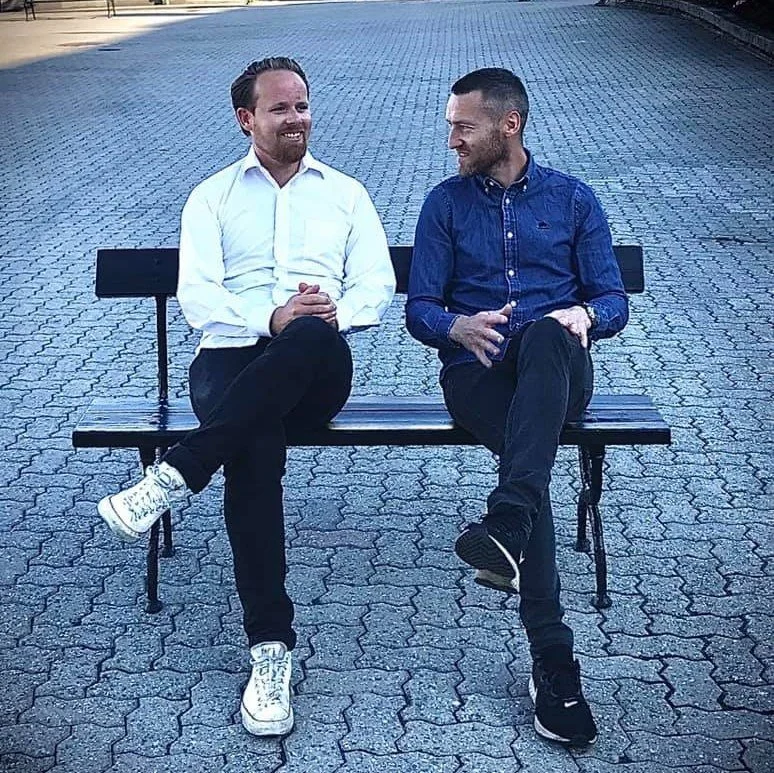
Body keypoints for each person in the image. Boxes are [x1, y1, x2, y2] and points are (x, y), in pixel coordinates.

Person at [97, 57, 395, 737]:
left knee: (309, 336)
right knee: (253, 447)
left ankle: (174, 474)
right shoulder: (212, 197)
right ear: (246, 119)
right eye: (280, 108)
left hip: (318, 365)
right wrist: (271, 317)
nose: (296, 118)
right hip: (228, 361)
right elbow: (198, 297)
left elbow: (375, 285)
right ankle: (271, 650)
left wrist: (328, 314)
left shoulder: (346, 194)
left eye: (302, 105)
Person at [406, 67, 628, 747]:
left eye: (463, 127)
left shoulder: (573, 199)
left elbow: (613, 299)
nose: (452, 139)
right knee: (530, 470)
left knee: (549, 333)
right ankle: (552, 659)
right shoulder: (444, 205)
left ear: (509, 125)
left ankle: (510, 529)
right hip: (476, 376)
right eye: (450, 126)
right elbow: (419, 307)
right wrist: (455, 326)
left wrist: (586, 315)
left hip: (557, 370)